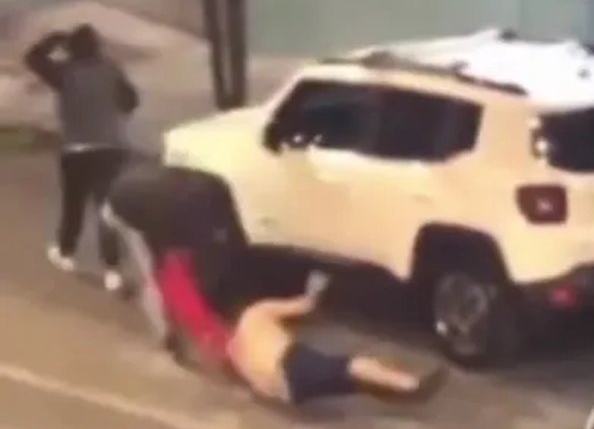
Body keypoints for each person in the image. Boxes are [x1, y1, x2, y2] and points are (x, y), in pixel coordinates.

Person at [157, 252, 446, 407]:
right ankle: (413, 387)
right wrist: (319, 284)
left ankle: (390, 390)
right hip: (291, 364)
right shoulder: (257, 312)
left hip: (285, 393)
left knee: (350, 379)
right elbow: (305, 306)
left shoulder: (233, 348)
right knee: (356, 364)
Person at [24, 24, 139, 292]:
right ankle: (113, 270)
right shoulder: (111, 70)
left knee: (73, 205)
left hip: (76, 149)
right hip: (111, 148)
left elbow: (32, 58)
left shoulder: (65, 73)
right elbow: (130, 102)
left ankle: (66, 253)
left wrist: (53, 39)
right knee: (106, 210)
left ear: (71, 50)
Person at [100, 162, 243, 354]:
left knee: (185, 266)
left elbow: (232, 236)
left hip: (146, 191)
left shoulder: (216, 190)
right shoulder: (181, 210)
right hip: (130, 208)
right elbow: (165, 243)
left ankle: (178, 324)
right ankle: (166, 332)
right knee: (155, 274)